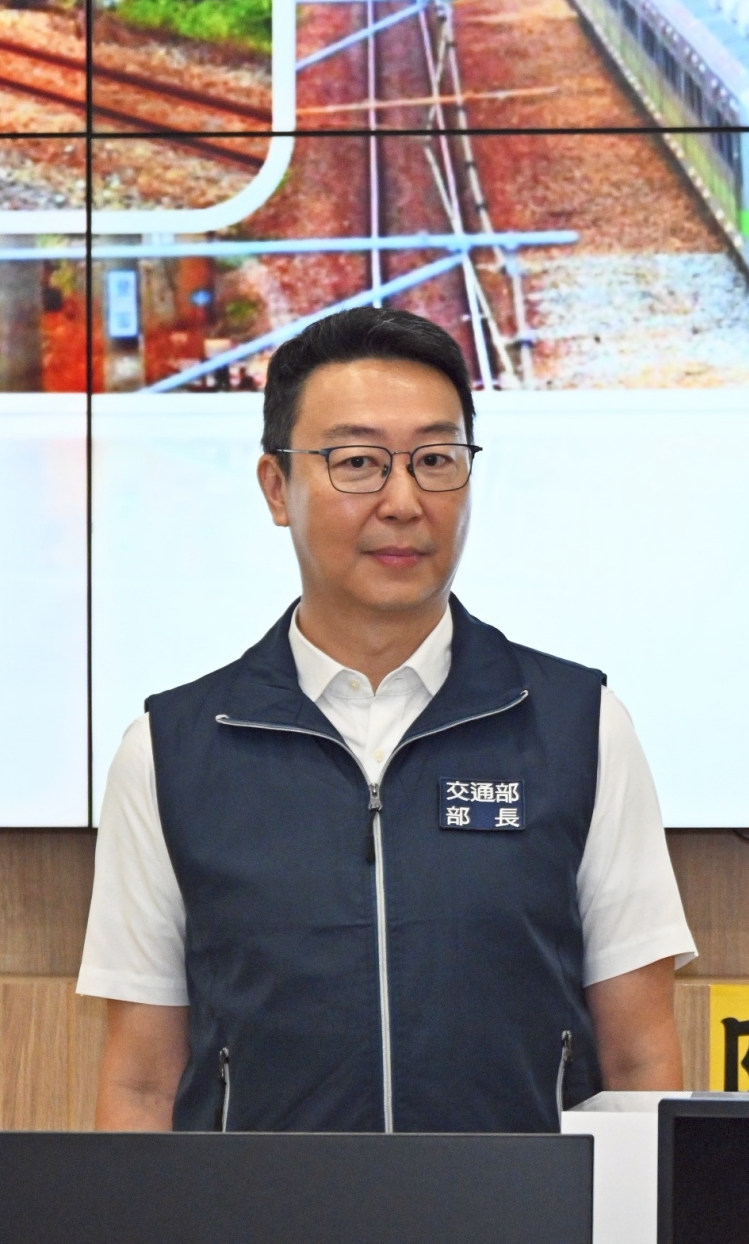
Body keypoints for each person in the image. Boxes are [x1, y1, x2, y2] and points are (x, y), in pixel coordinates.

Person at [80, 310, 695, 1132]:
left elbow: (640, 1060)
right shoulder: (173, 750)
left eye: (436, 460)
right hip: (256, 1206)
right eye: (358, 463)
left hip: (517, 1204)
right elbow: (141, 1081)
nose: (403, 502)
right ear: (276, 487)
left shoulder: (580, 728)